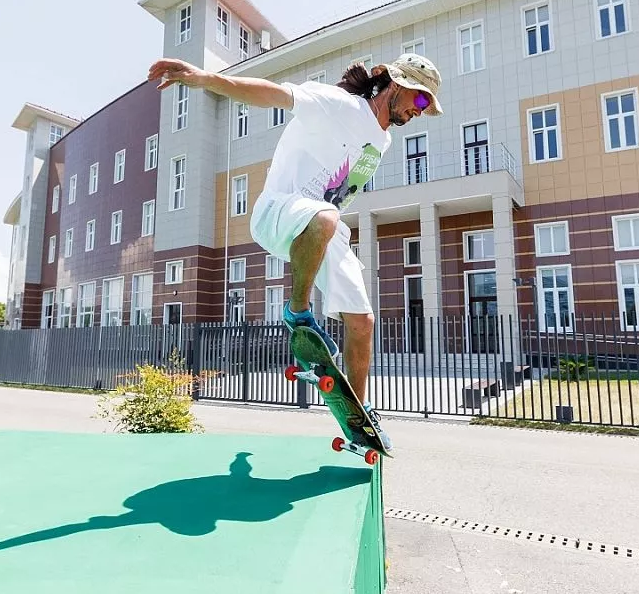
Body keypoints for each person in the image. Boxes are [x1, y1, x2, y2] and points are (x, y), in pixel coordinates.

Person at [147, 53, 443, 441]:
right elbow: (273, 94)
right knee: (326, 217)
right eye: (419, 99)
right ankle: (297, 312)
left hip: (321, 228)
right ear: (397, 84)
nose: (419, 111)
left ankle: (358, 415)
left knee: (362, 322)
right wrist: (206, 80)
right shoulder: (337, 104)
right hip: (278, 211)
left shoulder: (383, 140)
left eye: (426, 106)